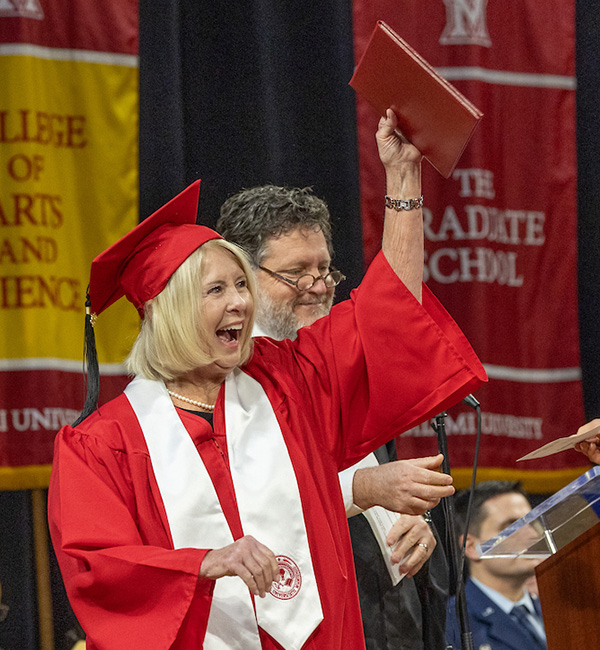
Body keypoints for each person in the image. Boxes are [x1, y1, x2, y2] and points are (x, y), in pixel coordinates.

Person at [48, 109, 486, 650]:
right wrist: (204, 562)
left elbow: (384, 317)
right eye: (217, 290)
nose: (240, 301)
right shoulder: (102, 445)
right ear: (169, 311)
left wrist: (402, 180)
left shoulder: (286, 384)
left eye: (241, 284)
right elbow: (100, 569)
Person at [218, 183, 451, 649]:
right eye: (296, 273)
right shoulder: (223, 377)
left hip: (389, 609)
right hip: (301, 612)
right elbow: (239, 507)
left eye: (324, 268)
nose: (320, 286)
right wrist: (365, 489)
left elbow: (397, 310)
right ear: (241, 277)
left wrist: (415, 528)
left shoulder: (332, 368)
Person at [446, 481, 547, 650]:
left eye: (530, 523)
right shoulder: (452, 624)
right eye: (512, 527)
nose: (532, 534)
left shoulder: (556, 607)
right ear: (471, 547)